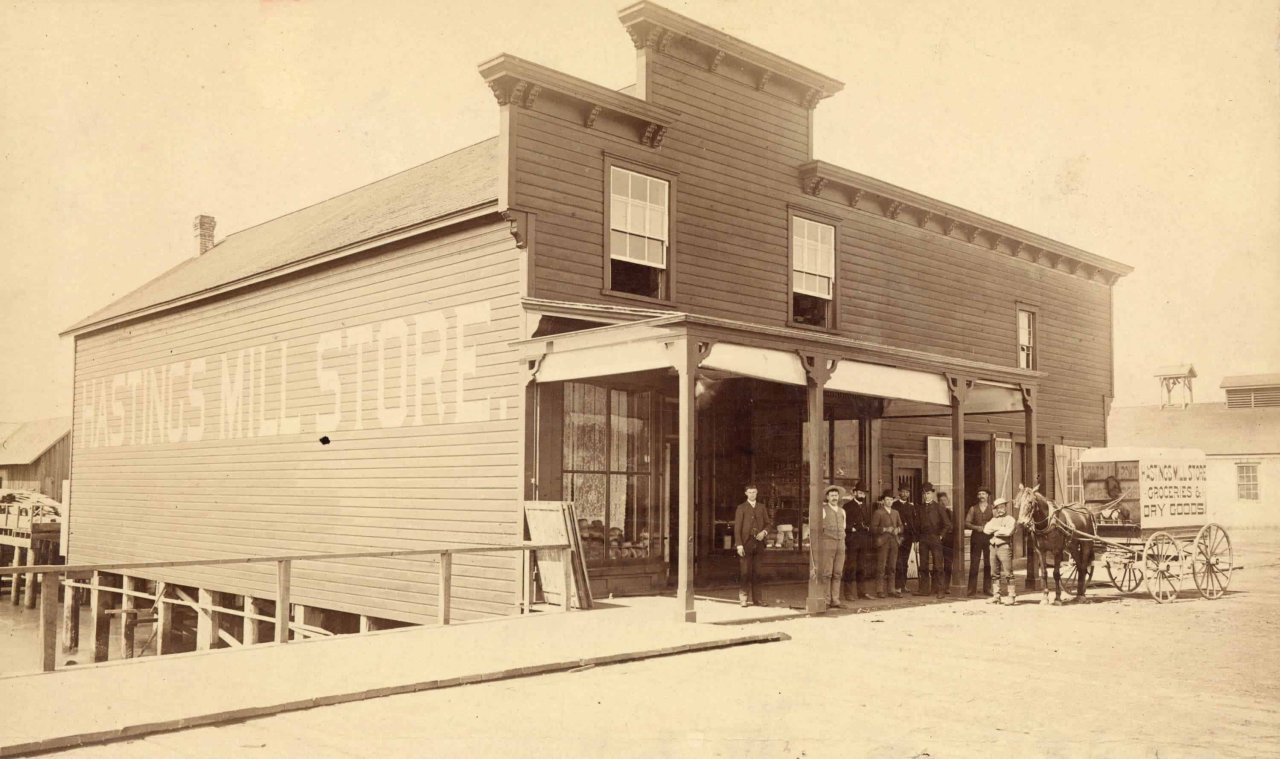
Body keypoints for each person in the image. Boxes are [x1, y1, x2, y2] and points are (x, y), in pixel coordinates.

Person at [734, 484, 772, 607]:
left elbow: (768, 524)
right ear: (746, 493)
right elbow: (737, 528)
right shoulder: (741, 508)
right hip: (746, 543)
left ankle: (758, 599)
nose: (752, 494)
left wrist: (764, 532)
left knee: (757, 572)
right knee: (745, 572)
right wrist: (739, 545)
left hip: (759, 543)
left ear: (757, 493)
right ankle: (743, 598)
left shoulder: (762, 507)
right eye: (750, 492)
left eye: (754, 492)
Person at [916, 483, 952, 599]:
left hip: (935, 538)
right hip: (923, 538)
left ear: (932, 494)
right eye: (924, 494)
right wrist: (917, 539)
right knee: (923, 564)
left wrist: (940, 536)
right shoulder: (920, 508)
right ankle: (924, 589)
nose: (926, 496)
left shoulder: (939, 507)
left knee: (938, 565)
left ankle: (940, 590)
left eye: (928, 493)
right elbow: (917, 525)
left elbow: (947, 524)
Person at [815, 485, 847, 608]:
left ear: (839, 497)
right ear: (827, 497)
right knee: (827, 573)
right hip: (828, 543)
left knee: (838, 572)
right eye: (832, 495)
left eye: (836, 495)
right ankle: (826, 600)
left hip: (841, 543)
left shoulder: (842, 511)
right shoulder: (823, 510)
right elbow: (818, 528)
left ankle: (835, 600)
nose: (834, 498)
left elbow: (844, 527)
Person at [842, 481, 874, 601]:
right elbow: (843, 524)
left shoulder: (866, 507)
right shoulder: (847, 506)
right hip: (852, 540)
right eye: (860, 493)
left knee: (862, 567)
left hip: (863, 540)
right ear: (854, 493)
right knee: (850, 566)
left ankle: (862, 592)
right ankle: (848, 593)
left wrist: (867, 527)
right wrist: (852, 528)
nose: (862, 495)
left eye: (863, 493)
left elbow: (868, 522)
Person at [870, 489, 903, 598]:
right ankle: (879, 590)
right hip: (883, 542)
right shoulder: (878, 512)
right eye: (887, 499)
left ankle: (891, 589)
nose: (889, 502)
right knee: (881, 566)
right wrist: (885, 529)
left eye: (891, 500)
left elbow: (901, 526)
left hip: (894, 542)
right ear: (883, 501)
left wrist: (898, 529)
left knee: (892, 566)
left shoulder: (896, 512)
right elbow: (872, 528)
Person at [984, 497, 1017, 605]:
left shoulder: (1010, 519)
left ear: (1006, 507)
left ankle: (1011, 596)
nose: (1000, 510)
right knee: (994, 573)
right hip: (993, 547)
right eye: (997, 508)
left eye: (1002, 507)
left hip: (1004, 547)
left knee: (1008, 573)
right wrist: (1000, 529)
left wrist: (995, 530)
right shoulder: (993, 519)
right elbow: (986, 530)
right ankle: (996, 596)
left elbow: (1008, 532)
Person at [965, 487, 995, 596]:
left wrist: (991, 526)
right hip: (976, 538)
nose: (982, 496)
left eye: (984, 494)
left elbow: (997, 522)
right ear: (978, 496)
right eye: (980, 494)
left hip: (989, 538)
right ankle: (971, 589)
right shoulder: (973, 509)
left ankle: (987, 588)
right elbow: (967, 523)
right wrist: (977, 527)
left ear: (987, 496)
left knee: (988, 563)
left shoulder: (993, 508)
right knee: (974, 563)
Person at [892, 486, 920, 595]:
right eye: (903, 492)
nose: (905, 494)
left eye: (907, 492)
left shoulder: (911, 507)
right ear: (899, 492)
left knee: (905, 561)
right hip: (898, 537)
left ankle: (903, 585)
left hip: (908, 537)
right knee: (898, 562)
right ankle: (897, 586)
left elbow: (914, 522)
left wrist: (915, 538)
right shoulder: (894, 505)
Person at [937, 492, 956, 593]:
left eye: (945, 500)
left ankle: (946, 586)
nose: (943, 502)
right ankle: (938, 586)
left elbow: (953, 526)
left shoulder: (951, 513)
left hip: (949, 541)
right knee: (938, 564)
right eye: (941, 500)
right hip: (938, 540)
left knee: (948, 564)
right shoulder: (936, 513)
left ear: (948, 501)